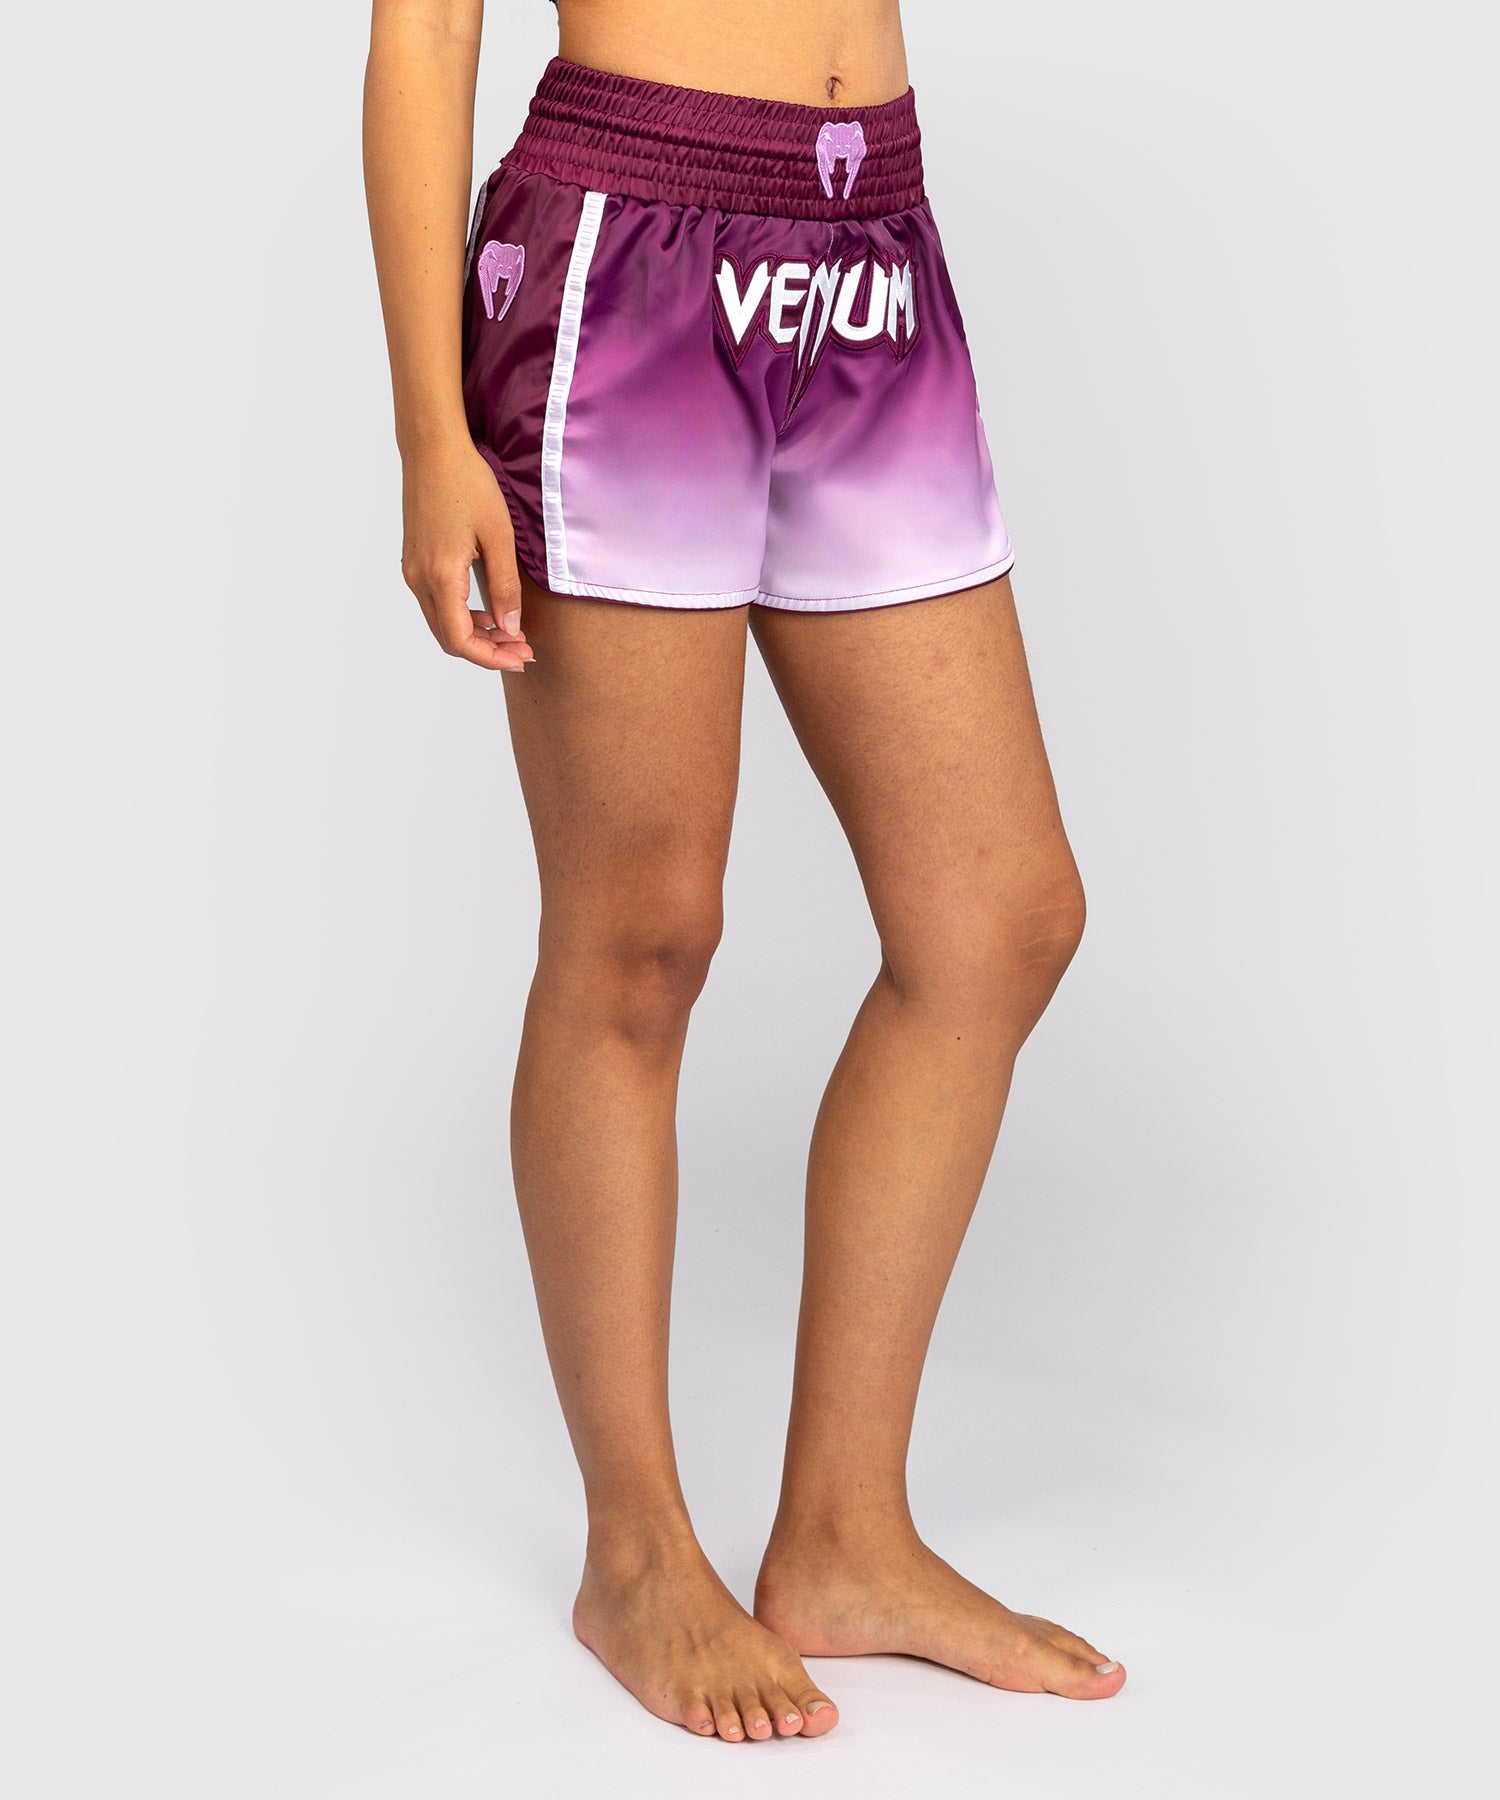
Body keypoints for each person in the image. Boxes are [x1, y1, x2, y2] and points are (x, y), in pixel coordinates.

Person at [362, 0, 1125, 1743]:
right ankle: (636, 1554)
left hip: (872, 244)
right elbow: (423, 31)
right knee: (639, 940)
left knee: (995, 920)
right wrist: (427, 434)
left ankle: (847, 1534)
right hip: (627, 247)